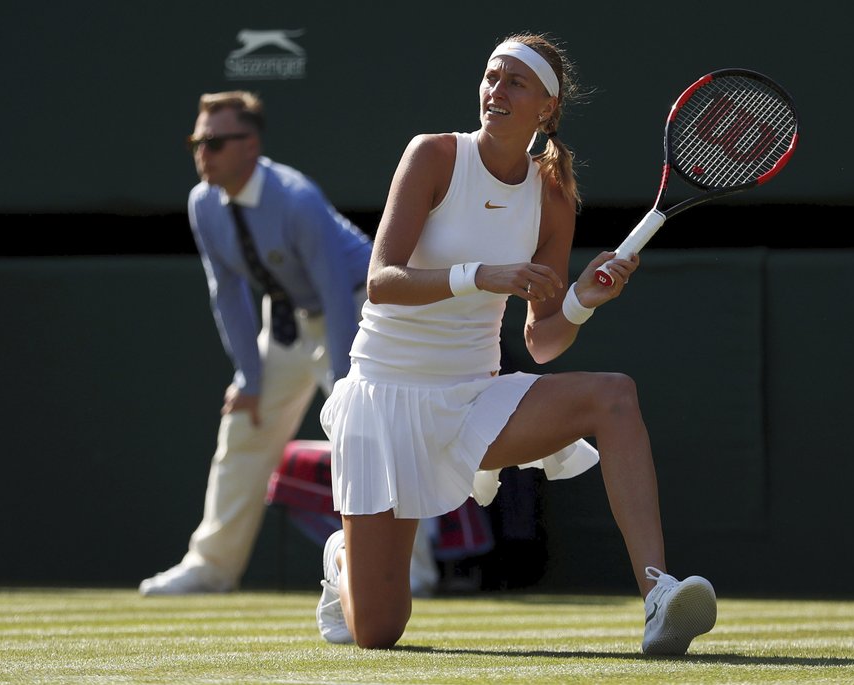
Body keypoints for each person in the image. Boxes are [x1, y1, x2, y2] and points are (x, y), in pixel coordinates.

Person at [313, 34, 717, 654]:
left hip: (473, 400)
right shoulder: (434, 156)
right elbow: (381, 282)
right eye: (491, 77)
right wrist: (481, 274)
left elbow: (544, 341)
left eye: (514, 83)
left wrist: (583, 299)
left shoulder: (553, 195)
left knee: (614, 397)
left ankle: (658, 594)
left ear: (546, 110)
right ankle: (344, 560)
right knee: (379, 631)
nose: (495, 91)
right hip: (384, 399)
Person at [139, 90, 439, 597]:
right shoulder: (203, 203)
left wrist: (348, 383)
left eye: (214, 142)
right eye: (197, 141)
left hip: (360, 311)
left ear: (250, 145)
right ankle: (212, 566)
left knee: (372, 436)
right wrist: (248, 379)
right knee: (243, 423)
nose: (202, 154)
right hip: (287, 321)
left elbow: (335, 294)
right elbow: (227, 291)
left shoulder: (296, 198)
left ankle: (414, 572)